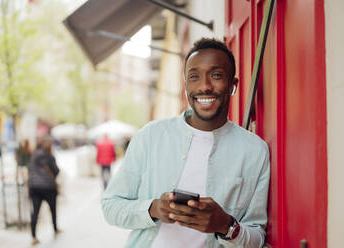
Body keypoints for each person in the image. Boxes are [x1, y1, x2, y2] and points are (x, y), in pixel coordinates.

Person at [101, 38, 270, 248]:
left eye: (216, 75)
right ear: (186, 85)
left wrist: (224, 225)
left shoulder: (255, 151)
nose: (205, 87)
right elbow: (110, 206)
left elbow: (258, 239)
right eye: (194, 77)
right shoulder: (150, 136)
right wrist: (152, 209)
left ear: (232, 85)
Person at [28, 136, 60, 245]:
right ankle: (55, 229)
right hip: (48, 187)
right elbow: (56, 171)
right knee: (53, 209)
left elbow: (30, 170)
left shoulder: (34, 155)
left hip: (35, 187)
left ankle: (33, 236)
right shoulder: (49, 156)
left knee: (35, 212)